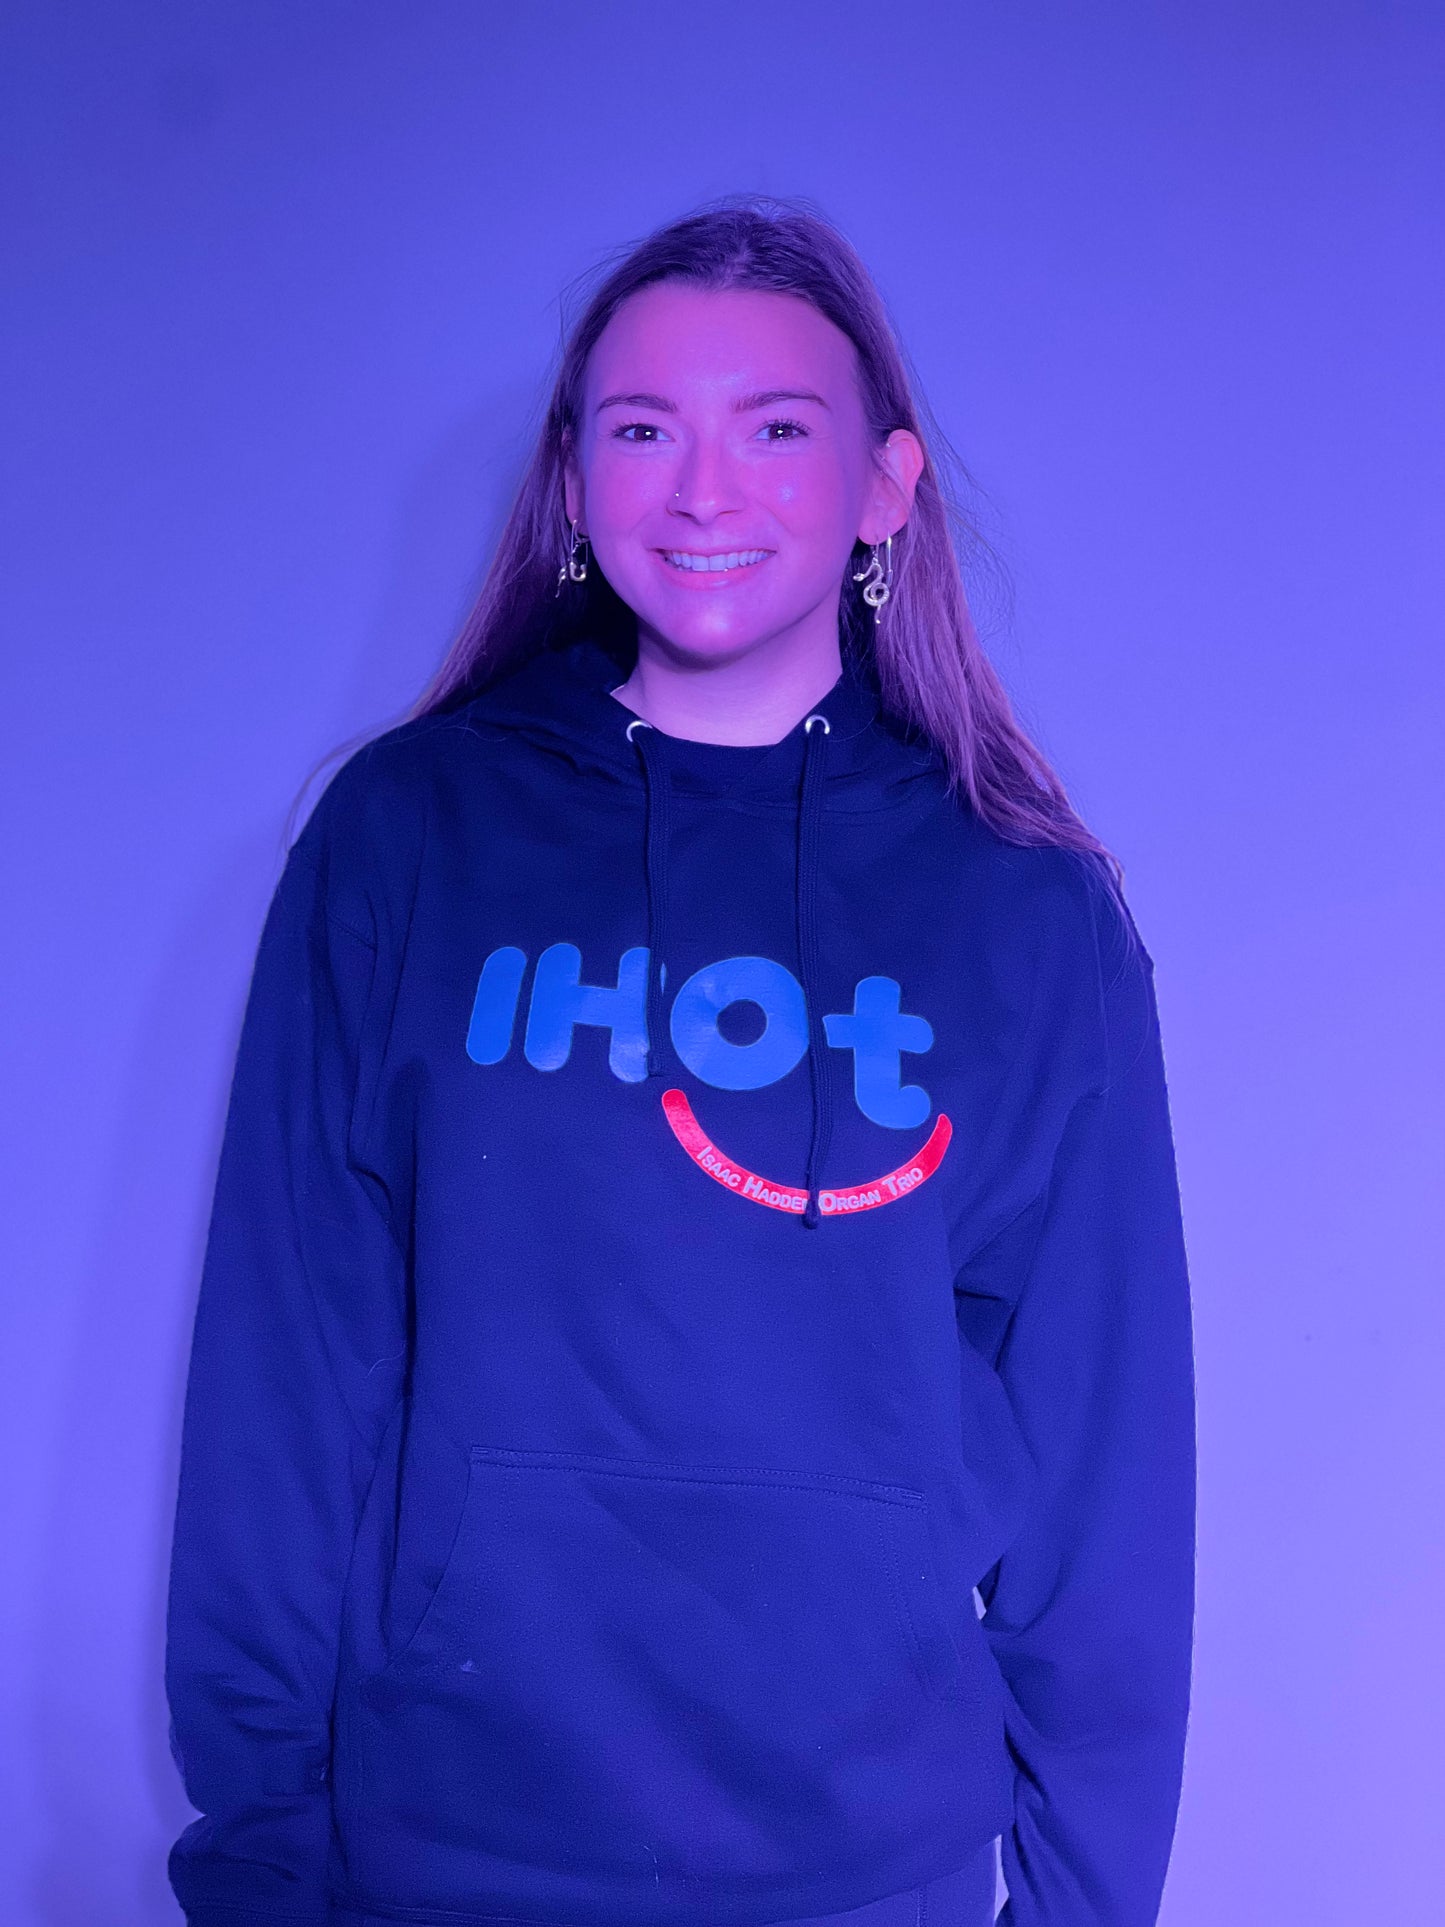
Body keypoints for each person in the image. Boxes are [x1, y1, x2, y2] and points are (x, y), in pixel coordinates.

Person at [163, 196, 1197, 1927]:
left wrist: (1089, 1903)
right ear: (572, 486)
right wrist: (259, 1850)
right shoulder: (408, 836)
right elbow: (288, 1363)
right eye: (640, 430)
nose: (702, 490)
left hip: (866, 1869)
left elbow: (1106, 1458)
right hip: (447, 1848)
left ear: (884, 485)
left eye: (774, 429)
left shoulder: (1027, 912)